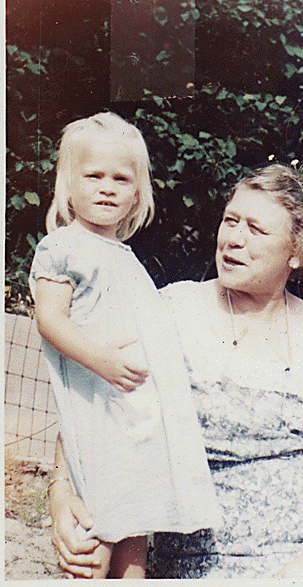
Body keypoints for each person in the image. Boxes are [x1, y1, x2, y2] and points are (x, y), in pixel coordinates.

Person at [48, 163, 303, 579]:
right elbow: (96, 404)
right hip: (195, 569)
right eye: (230, 221)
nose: (233, 239)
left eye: (256, 230)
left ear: (298, 252)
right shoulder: (174, 311)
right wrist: (61, 494)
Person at [28, 111, 221, 579]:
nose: (107, 187)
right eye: (93, 176)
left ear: (138, 192)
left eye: (121, 178)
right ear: (67, 184)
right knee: (95, 526)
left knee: (137, 520)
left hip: (136, 416)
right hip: (97, 410)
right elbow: (49, 320)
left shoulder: (127, 257)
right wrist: (103, 361)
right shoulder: (63, 248)